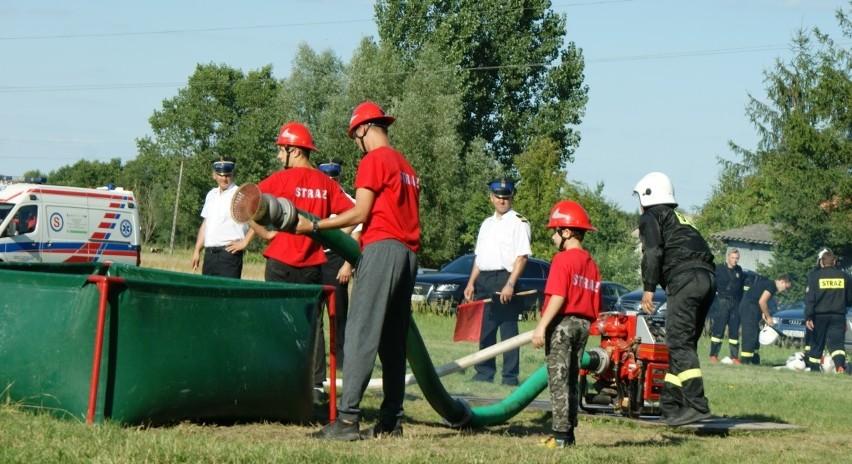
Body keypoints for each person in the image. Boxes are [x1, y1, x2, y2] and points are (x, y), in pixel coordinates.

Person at [298, 101, 420, 441]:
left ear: (365, 129)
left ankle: (347, 421)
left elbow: (360, 213)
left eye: (355, 136)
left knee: (360, 333)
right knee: (392, 341)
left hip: (382, 250)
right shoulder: (406, 166)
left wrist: (317, 226)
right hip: (409, 256)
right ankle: (391, 420)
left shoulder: (374, 160)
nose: (356, 143)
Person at [248, 122, 355, 402]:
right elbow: (354, 214)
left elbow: (245, 205)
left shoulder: (278, 181)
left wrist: (266, 234)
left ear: (292, 150)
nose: (278, 156)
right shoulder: (325, 183)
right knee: (313, 325)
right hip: (312, 265)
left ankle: (277, 380)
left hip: (280, 262)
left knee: (277, 321)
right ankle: (316, 385)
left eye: (280, 150)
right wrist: (329, 239)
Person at [633, 172, 715, 426]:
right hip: (708, 278)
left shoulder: (650, 216)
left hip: (686, 279)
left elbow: (653, 251)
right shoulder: (681, 219)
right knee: (684, 344)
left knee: (679, 342)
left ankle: (697, 405)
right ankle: (670, 405)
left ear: (647, 195)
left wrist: (648, 288)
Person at [531, 200, 600, 449]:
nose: (553, 237)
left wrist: (541, 326)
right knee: (572, 379)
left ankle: (559, 437)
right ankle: (568, 435)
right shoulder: (591, 264)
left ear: (567, 232)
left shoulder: (563, 260)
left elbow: (559, 296)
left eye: (555, 231)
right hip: (583, 326)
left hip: (562, 324)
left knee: (558, 379)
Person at [463, 178, 532, 386]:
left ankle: (510, 377)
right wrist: (471, 283)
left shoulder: (519, 222)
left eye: (506, 197)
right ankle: (484, 373)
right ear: (491, 198)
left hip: (505, 278)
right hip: (484, 279)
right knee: (486, 330)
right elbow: (480, 256)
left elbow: (522, 257)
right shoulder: (486, 224)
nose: (502, 201)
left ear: (512, 197)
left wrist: (510, 284)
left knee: (508, 332)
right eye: (498, 197)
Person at [317, 159, 362, 369]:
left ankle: (341, 361)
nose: (330, 182)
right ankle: (314, 360)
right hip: (313, 259)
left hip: (336, 259)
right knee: (314, 313)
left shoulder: (350, 203)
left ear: (339, 178)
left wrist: (347, 265)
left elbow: (356, 235)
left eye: (334, 179)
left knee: (338, 314)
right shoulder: (314, 201)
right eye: (326, 178)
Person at [191, 157, 254, 278]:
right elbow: (206, 224)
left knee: (227, 295)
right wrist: (197, 250)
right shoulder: (211, 194)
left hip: (229, 255)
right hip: (209, 255)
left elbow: (258, 222)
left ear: (233, 174)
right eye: (220, 175)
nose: (224, 178)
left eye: (227, 175)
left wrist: (245, 242)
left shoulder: (241, 194)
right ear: (214, 175)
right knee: (208, 294)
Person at [804, 249, 851, 373]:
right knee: (837, 343)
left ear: (822, 263)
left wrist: (808, 316)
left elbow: (810, 299)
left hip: (819, 316)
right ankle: (840, 366)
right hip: (838, 315)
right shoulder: (845, 276)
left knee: (817, 342)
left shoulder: (814, 276)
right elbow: (850, 298)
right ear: (834, 262)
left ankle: (814, 368)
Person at [738, 274, 792, 365]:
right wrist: (769, 317)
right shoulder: (772, 286)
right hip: (749, 308)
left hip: (753, 308)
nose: (785, 291)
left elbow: (760, 299)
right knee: (749, 334)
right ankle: (745, 360)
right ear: (782, 282)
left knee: (755, 333)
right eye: (786, 288)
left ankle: (754, 359)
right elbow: (762, 301)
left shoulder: (770, 285)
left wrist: (763, 313)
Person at [709, 248, 746, 363]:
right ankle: (714, 355)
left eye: (737, 258)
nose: (735, 260)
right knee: (719, 329)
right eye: (733, 258)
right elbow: (711, 284)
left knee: (734, 330)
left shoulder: (739, 270)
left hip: (735, 303)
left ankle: (734, 357)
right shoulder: (718, 269)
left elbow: (741, 289)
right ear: (728, 257)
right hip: (722, 302)